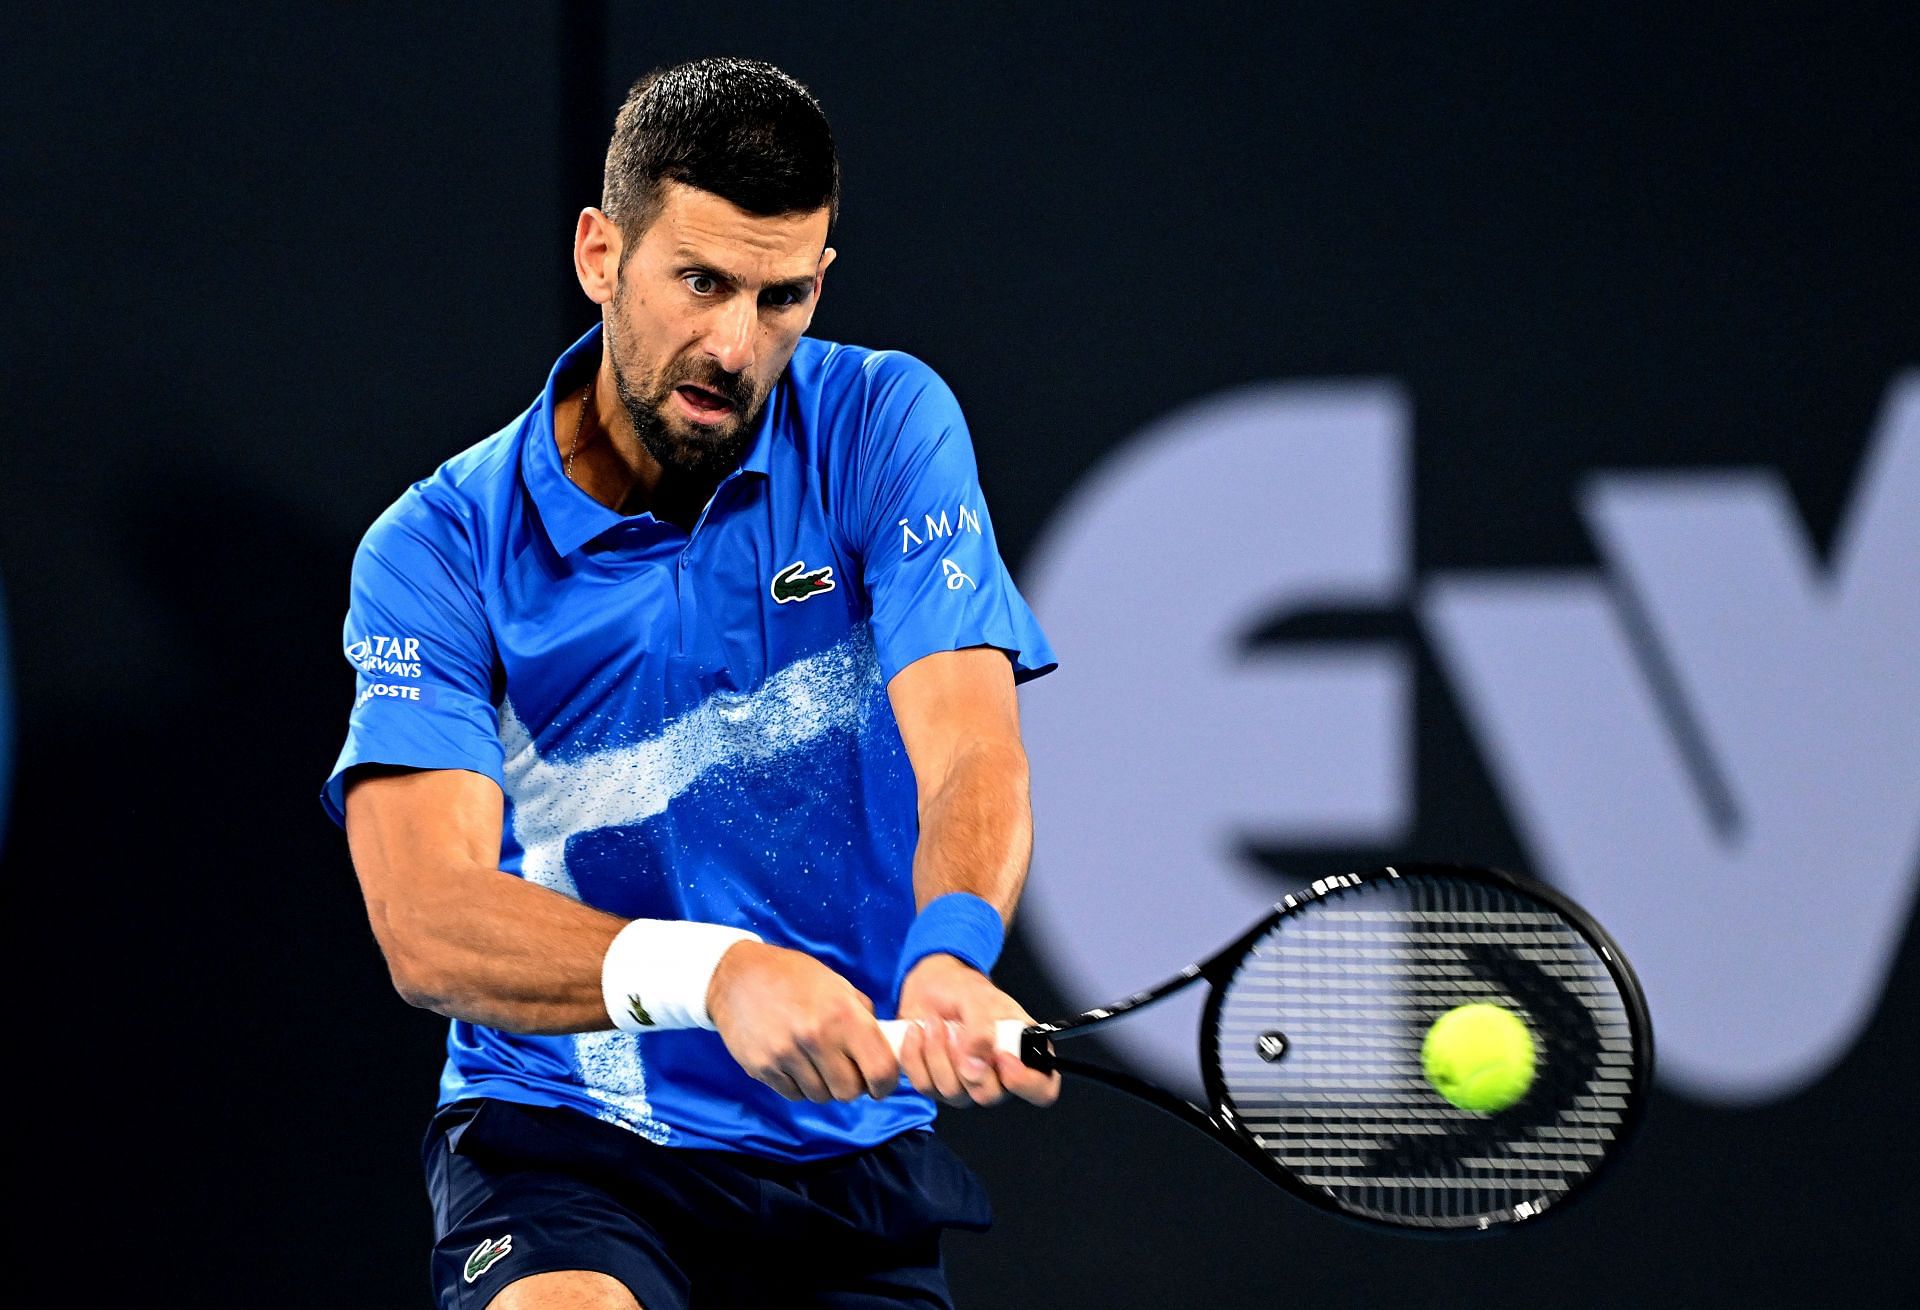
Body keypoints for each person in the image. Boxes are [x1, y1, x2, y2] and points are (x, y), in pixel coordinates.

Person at [321, 57, 1060, 1310]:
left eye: (780, 298)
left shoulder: (885, 423)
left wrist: (949, 948)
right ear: (601, 252)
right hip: (563, 1139)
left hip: (843, 1161)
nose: (734, 344)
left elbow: (971, 747)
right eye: (700, 282)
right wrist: (710, 972)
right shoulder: (440, 545)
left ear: (821, 281)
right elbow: (426, 919)